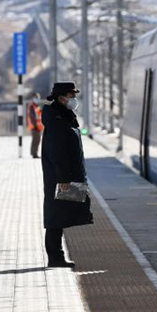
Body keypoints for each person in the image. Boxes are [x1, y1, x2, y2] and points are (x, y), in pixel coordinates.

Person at [40, 81, 93, 268]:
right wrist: (63, 178)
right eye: (71, 96)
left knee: (60, 215)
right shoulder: (56, 120)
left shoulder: (63, 116)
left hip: (65, 175)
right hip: (60, 178)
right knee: (56, 216)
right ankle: (55, 257)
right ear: (61, 97)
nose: (74, 99)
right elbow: (57, 151)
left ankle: (57, 256)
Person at [27, 92, 43, 159]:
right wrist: (35, 125)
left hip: (38, 126)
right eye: (36, 97)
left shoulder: (37, 106)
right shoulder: (32, 106)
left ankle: (34, 153)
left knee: (37, 140)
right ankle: (34, 153)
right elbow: (32, 116)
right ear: (33, 98)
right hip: (35, 127)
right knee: (36, 140)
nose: (37, 99)